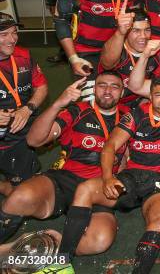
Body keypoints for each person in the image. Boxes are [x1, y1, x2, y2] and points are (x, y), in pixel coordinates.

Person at [57, 70, 160, 273]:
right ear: (150, 97)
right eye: (158, 95)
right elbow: (109, 146)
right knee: (85, 189)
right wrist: (107, 178)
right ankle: (62, 260)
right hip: (131, 179)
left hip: (159, 183)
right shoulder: (136, 115)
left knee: (159, 219)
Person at [0, 72, 127, 254]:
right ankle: (8, 189)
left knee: (99, 240)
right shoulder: (77, 111)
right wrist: (58, 104)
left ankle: (46, 243)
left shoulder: (129, 118)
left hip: (99, 188)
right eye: (102, 85)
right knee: (20, 197)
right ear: (93, 89)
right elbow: (33, 141)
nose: (108, 91)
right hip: (64, 180)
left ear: (122, 92)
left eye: (115, 86)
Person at [0, 13, 48, 196]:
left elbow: (41, 87)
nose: (12, 39)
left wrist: (28, 109)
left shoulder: (24, 55)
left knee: (29, 190)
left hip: (20, 131)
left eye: (14, 32)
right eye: (4, 35)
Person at [99, 7, 160, 108]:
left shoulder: (156, 51)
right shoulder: (116, 48)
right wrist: (120, 32)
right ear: (126, 32)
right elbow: (107, 64)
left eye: (147, 30)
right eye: (136, 30)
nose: (143, 36)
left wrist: (145, 103)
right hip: (112, 103)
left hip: (141, 100)